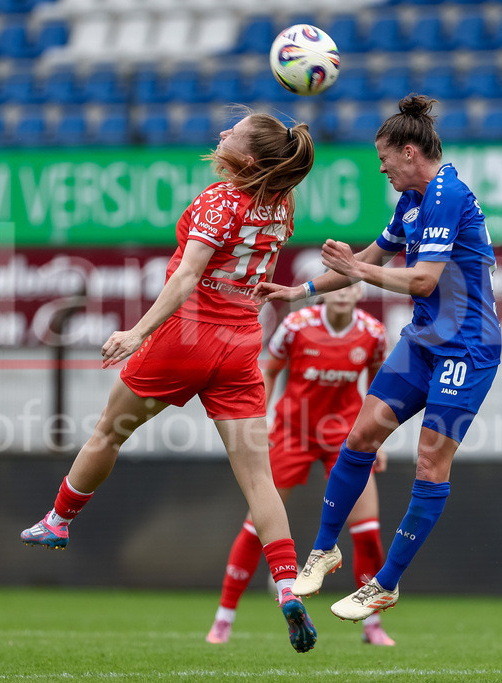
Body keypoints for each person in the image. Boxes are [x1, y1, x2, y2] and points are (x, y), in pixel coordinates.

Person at [19, 110, 320, 653]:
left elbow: (186, 277)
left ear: (247, 158)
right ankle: (285, 586)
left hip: (187, 337)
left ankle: (59, 520)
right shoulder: (282, 202)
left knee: (109, 433)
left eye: (234, 131)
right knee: (258, 480)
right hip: (241, 345)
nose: (223, 132)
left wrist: (137, 332)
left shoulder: (217, 200)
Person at [254, 94, 502, 623]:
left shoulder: (446, 194)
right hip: (425, 340)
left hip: (469, 346)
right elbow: (365, 261)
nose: (382, 168)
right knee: (361, 435)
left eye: (384, 158)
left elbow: (422, 279)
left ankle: (385, 584)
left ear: (409, 152)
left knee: (431, 462)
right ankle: (324, 550)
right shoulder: (412, 202)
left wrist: (359, 272)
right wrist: (296, 292)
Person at [205, 284, 397, 647]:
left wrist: (377, 438)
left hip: (345, 438)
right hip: (293, 432)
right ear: (324, 291)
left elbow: (377, 387)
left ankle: (372, 626)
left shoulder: (372, 332)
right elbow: (268, 370)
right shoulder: (296, 325)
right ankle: (223, 620)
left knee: (368, 531)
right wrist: (260, 422)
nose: (342, 291)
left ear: (359, 291)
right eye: (335, 283)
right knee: (255, 523)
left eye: (350, 283)